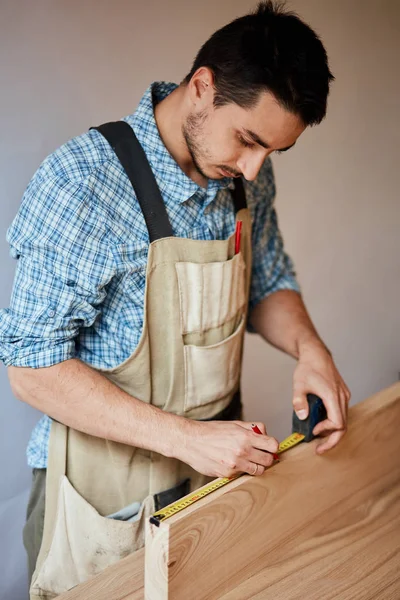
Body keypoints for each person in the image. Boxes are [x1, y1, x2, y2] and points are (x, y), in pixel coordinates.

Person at [0, 1, 350, 597]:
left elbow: (265, 282)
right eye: (247, 140)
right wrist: (188, 439)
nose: (254, 169)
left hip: (216, 488)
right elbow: (33, 368)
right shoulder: (84, 183)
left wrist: (310, 348)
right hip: (99, 506)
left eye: (272, 153)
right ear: (202, 87)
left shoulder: (240, 177)